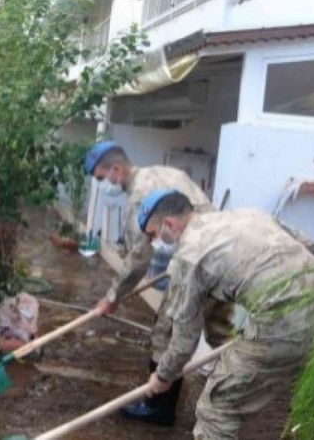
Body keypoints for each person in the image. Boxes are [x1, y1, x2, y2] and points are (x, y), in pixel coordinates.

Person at [138, 189, 314, 439]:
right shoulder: (248, 215)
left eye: (153, 234)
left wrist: (163, 375)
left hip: (285, 321)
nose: (155, 242)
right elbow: (311, 247)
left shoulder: (188, 258)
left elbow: (184, 340)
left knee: (216, 408)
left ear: (169, 224)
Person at [83, 140, 234, 425]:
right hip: (219, 257)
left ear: (116, 169)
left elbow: (139, 256)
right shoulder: (165, 173)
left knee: (165, 331)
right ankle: (246, 387)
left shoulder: (141, 195)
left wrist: (113, 297)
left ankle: (159, 407)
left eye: (101, 178)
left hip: (198, 264)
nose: (102, 185)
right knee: (221, 334)